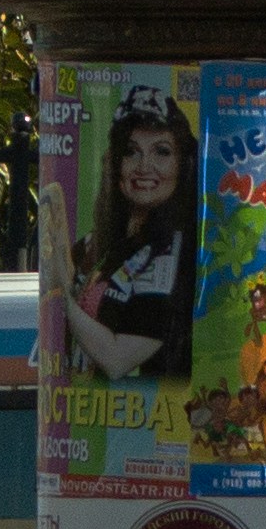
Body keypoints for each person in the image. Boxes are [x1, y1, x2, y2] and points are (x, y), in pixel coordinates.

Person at [60, 89, 195, 383]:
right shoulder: (101, 245)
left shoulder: (175, 252)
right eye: (131, 151)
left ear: (183, 165)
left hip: (154, 424)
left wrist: (59, 296)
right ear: (115, 163)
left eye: (161, 151)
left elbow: (117, 359)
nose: (144, 166)